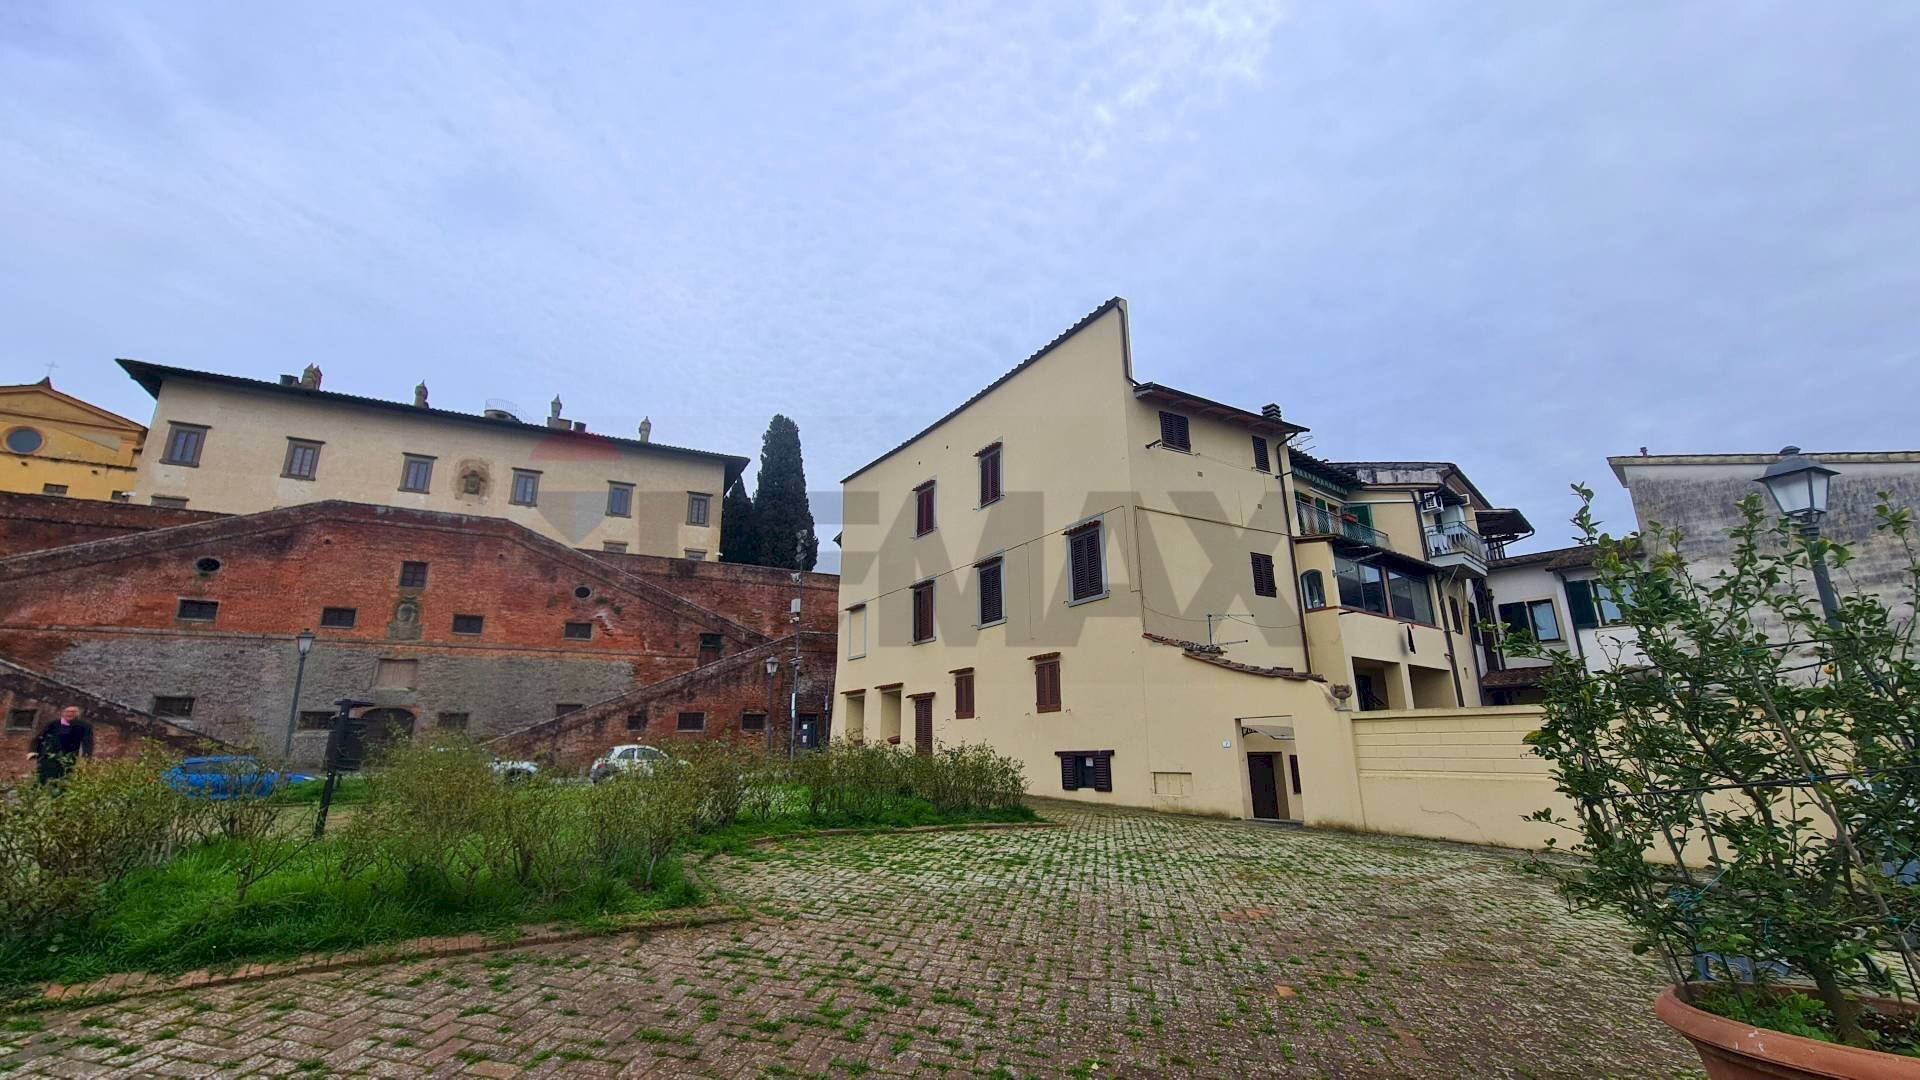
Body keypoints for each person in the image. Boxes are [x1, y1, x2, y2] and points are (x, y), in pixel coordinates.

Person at [28, 705, 93, 786]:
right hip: (48, 756)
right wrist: (33, 751)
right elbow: (39, 737)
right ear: (63, 713)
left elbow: (87, 743)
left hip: (67, 758)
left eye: (72, 712)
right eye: (67, 712)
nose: (69, 714)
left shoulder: (83, 726)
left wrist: (86, 758)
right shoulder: (54, 724)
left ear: (77, 714)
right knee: (42, 778)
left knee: (62, 780)